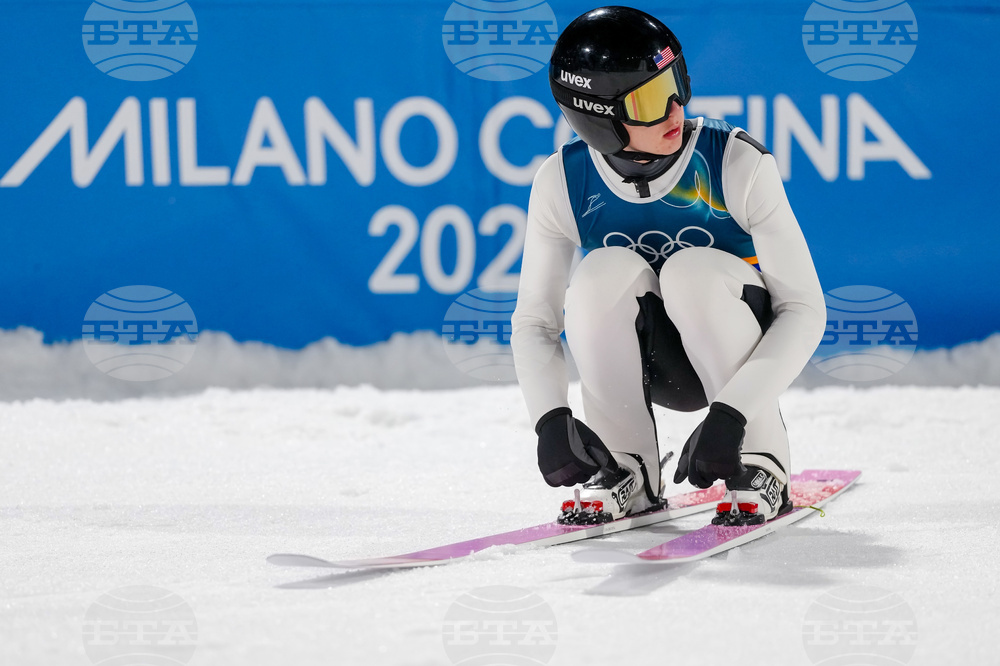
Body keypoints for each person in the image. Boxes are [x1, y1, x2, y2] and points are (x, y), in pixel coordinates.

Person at [510, 6, 826, 526]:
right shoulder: (561, 183)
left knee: (692, 272)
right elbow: (535, 322)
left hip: (738, 346)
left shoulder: (735, 162)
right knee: (598, 275)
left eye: (675, 83)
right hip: (651, 358)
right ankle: (626, 465)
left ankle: (760, 457)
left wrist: (735, 411)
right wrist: (549, 420)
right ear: (599, 117)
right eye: (653, 100)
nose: (677, 110)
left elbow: (805, 309)